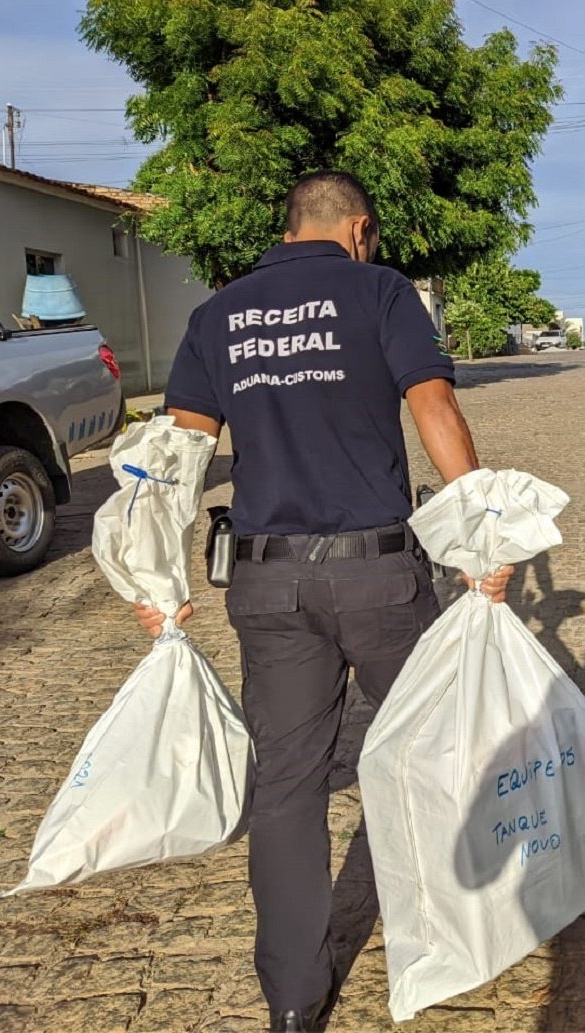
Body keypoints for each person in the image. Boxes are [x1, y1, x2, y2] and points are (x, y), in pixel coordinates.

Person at [132, 171, 512, 1033]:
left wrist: (156, 583)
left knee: (289, 784)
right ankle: (459, 928)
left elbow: (176, 457)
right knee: (434, 746)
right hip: (376, 572)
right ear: (359, 228)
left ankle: (295, 1001)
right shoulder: (379, 291)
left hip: (267, 581)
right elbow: (436, 407)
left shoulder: (217, 314)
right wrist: (482, 537)